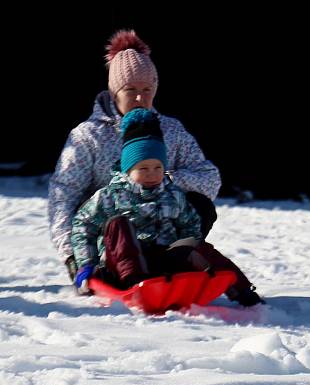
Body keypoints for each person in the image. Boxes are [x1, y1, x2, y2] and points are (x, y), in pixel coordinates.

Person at [48, 29, 221, 282]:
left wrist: (161, 179)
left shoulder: (171, 130)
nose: (140, 97)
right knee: (115, 225)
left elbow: (209, 178)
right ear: (114, 92)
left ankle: (178, 263)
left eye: (147, 89)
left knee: (200, 205)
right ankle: (123, 271)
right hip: (112, 236)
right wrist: (73, 257)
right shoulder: (88, 136)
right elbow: (63, 195)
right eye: (130, 90)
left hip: (162, 231)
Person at [71, 108, 263, 307]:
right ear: (128, 170)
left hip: (163, 259)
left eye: (158, 168)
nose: (152, 174)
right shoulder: (109, 195)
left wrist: (188, 248)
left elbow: (190, 225)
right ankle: (135, 283)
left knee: (200, 247)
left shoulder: (173, 194)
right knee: (117, 224)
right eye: (143, 168)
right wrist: (86, 264)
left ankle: (239, 289)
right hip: (120, 265)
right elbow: (82, 226)